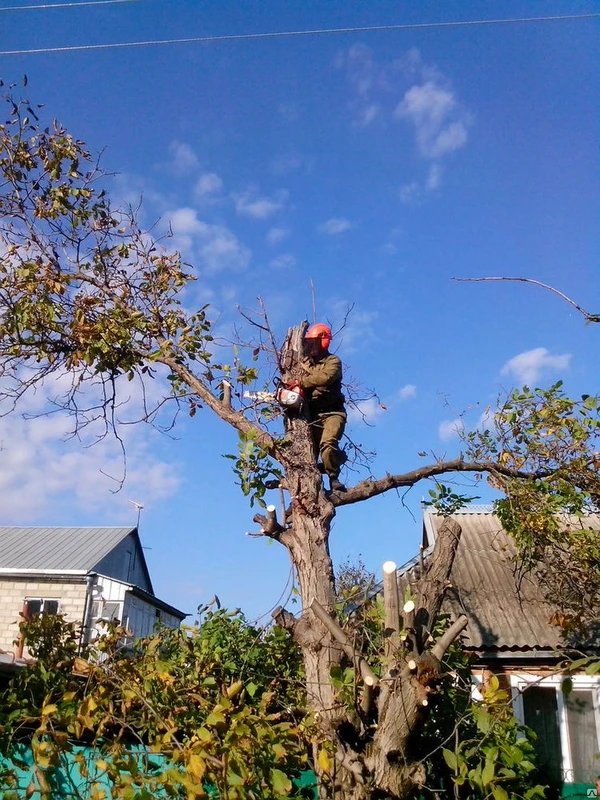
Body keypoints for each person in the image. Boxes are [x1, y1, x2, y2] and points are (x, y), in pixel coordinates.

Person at [289, 323, 347, 493]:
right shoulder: (304, 363)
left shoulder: (333, 361)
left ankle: (333, 477)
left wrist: (301, 383)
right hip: (312, 414)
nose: (311, 346)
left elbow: (324, 378)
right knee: (307, 455)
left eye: (314, 342)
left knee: (328, 443)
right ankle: (306, 492)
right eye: (309, 343)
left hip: (333, 413)